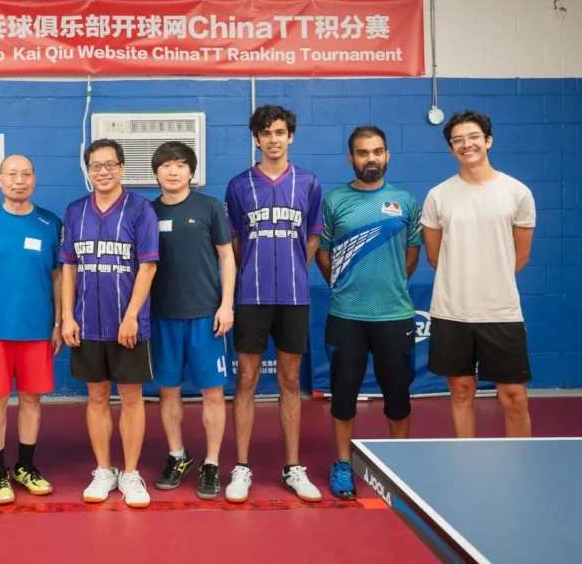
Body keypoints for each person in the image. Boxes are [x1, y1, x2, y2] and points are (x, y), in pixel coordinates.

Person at [314, 126, 422, 500]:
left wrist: (389, 285)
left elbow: (412, 255)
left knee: (398, 395)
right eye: (362, 153)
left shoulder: (406, 201)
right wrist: (342, 285)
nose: (370, 158)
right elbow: (322, 252)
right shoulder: (334, 201)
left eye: (377, 151)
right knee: (343, 396)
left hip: (394, 315)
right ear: (351, 158)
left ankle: (400, 463)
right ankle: (343, 463)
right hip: (346, 315)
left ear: (387, 155)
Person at [224, 103, 323, 503]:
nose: (273, 139)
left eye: (280, 132)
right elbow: (233, 243)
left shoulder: (310, 183)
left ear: (290, 136)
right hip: (251, 296)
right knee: (246, 379)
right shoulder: (238, 186)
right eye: (266, 133)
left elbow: (312, 237)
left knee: (290, 380)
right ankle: (242, 468)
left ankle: (293, 467)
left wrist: (296, 268)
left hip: (294, 297)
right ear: (257, 139)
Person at [421, 111, 536, 438]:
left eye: (473, 137)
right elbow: (435, 256)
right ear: (450, 149)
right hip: (451, 312)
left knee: (513, 396)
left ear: (488, 141)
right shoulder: (438, 196)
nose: (465, 144)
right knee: (460, 392)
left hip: (501, 312)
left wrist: (490, 279)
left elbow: (520, 255)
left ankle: (521, 463)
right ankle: (467, 463)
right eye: (457, 140)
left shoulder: (517, 193)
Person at [60, 138, 159, 509]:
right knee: (97, 396)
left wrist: (132, 315)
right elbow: (69, 266)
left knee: (131, 398)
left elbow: (148, 267)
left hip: (127, 325)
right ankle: (104, 469)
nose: (103, 172)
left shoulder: (140, 209)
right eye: (96, 166)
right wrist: (67, 315)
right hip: (87, 325)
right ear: (88, 171)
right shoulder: (75, 211)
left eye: (110, 165)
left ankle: (131, 473)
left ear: (121, 168)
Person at [0, 154, 63, 504]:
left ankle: (24, 467)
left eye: (26, 174)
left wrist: (58, 322)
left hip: (37, 329)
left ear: (34, 179)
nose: (19, 180)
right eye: (12, 174)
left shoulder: (50, 223)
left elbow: (57, 277)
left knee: (32, 400)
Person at [148, 141, 236, 500]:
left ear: (191, 171)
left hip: (206, 316)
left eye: (180, 165)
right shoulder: (145, 211)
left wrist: (226, 305)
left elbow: (227, 258)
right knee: (167, 391)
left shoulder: (209, 206)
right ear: (156, 172)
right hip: (162, 317)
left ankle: (212, 462)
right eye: (166, 165)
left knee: (212, 394)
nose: (173, 171)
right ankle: (177, 455)